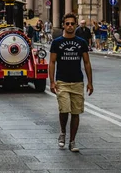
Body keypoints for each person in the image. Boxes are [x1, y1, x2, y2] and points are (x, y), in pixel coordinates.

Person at [49, 12, 93, 153]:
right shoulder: (57, 43)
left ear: (75, 25)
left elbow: (86, 63)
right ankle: (62, 132)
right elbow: (52, 62)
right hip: (62, 81)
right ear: (63, 25)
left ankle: (72, 141)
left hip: (77, 82)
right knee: (64, 109)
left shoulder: (81, 42)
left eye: (72, 24)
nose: (69, 26)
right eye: (67, 23)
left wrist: (90, 82)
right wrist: (52, 82)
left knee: (75, 112)